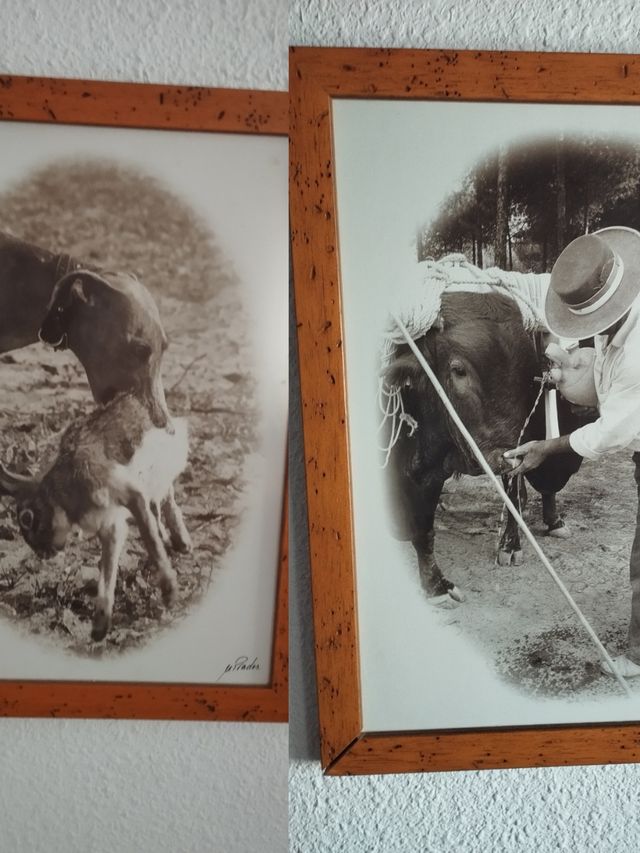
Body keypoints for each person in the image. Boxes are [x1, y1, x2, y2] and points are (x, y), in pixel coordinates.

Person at [504, 226, 640, 678]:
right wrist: (563, 371)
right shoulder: (616, 325)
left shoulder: (636, 352)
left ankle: (638, 658)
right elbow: (599, 380)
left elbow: (610, 432)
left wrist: (549, 445)